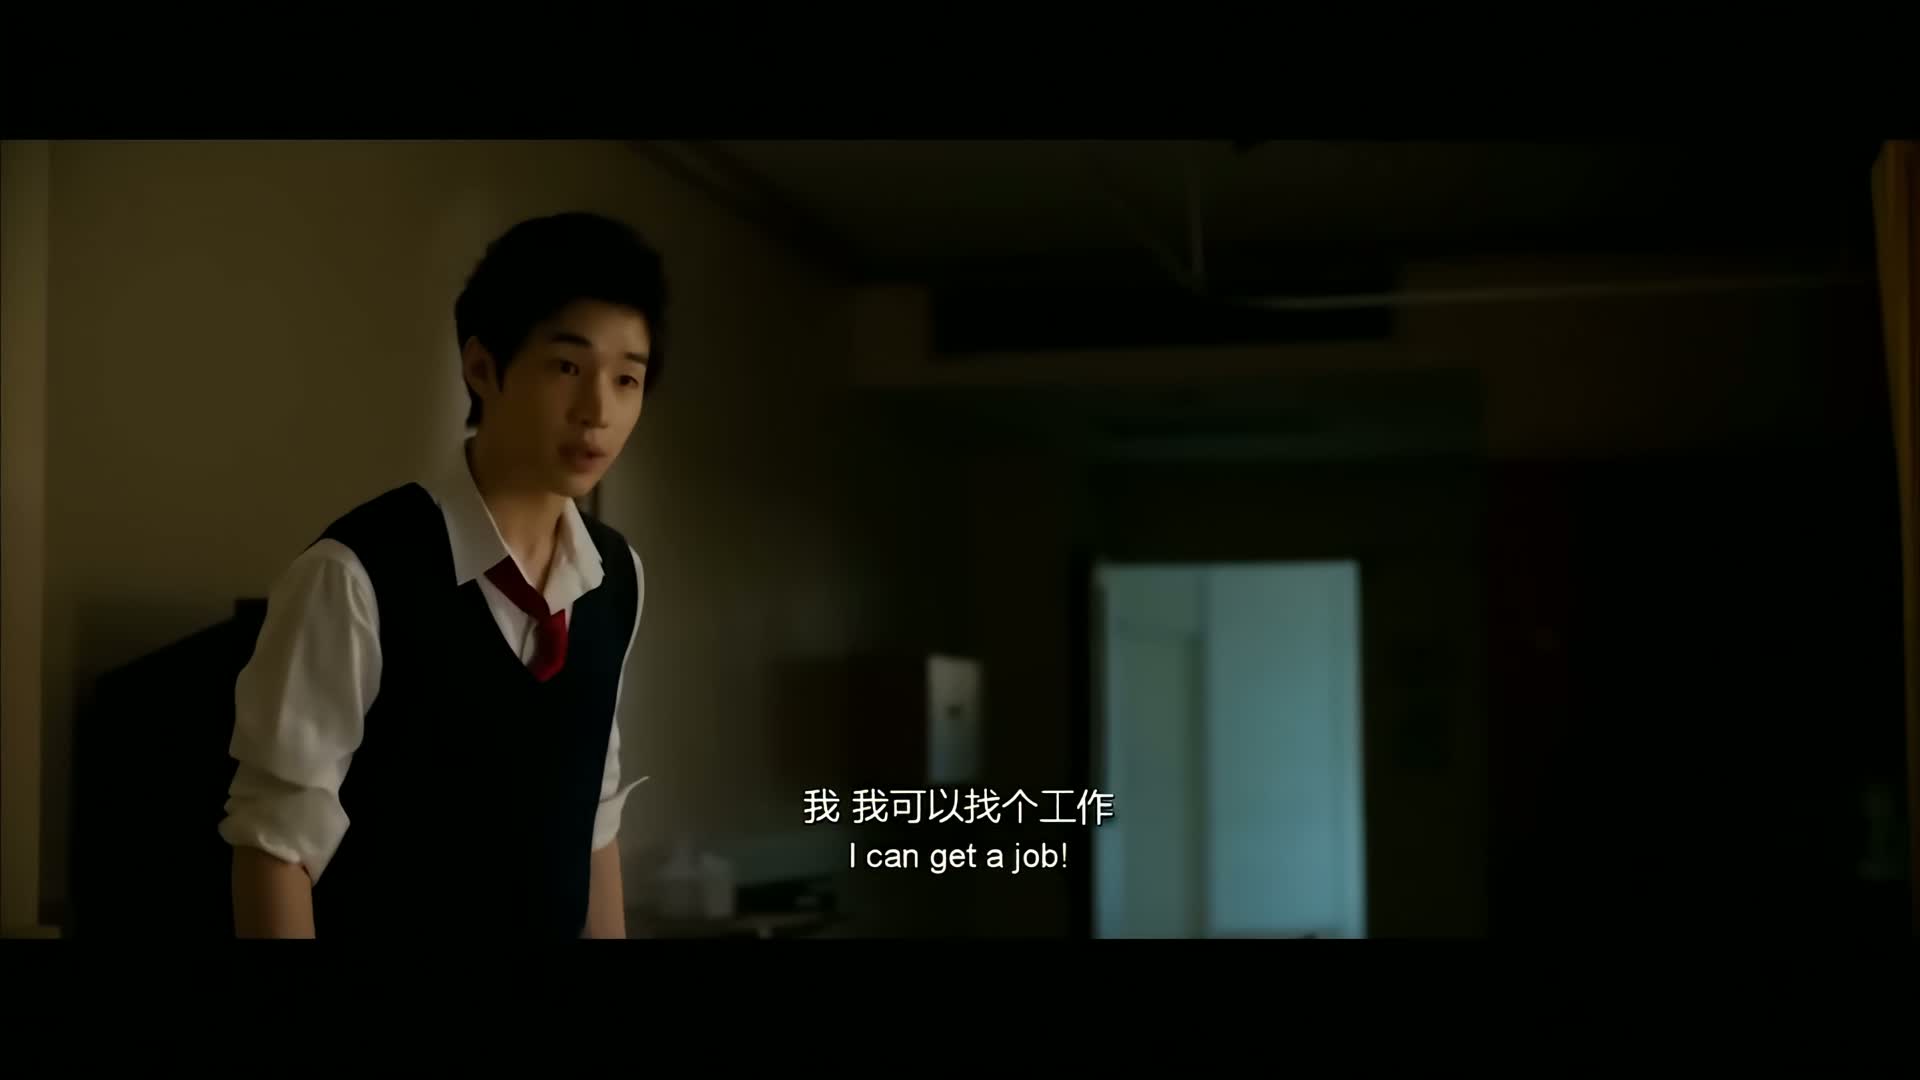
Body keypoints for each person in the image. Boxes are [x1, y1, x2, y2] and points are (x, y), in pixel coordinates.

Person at [219, 211, 667, 938]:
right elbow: (276, 847)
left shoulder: (616, 577)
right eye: (567, 368)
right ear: (482, 368)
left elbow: (595, 818)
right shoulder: (357, 573)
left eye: (626, 379)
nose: (598, 411)